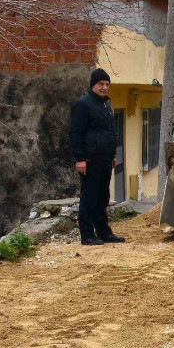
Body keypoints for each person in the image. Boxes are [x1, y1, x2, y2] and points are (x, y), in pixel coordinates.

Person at [70, 68, 126, 246]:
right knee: (89, 197)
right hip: (90, 160)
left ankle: (104, 232)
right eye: (101, 84)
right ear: (93, 85)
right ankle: (87, 235)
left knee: (102, 197)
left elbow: (108, 132)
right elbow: (76, 134)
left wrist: (112, 156)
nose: (105, 87)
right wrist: (80, 159)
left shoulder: (105, 105)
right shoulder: (83, 104)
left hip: (105, 159)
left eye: (107, 84)